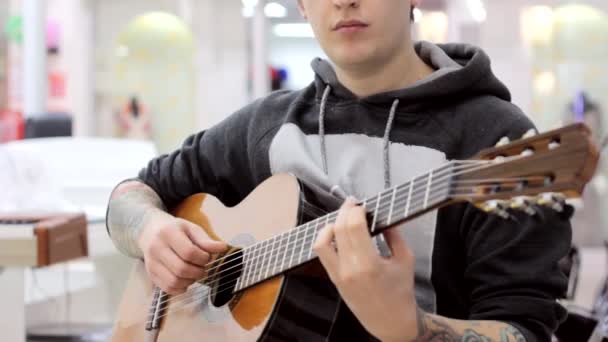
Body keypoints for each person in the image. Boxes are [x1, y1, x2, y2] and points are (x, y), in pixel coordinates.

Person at [106, 0, 572, 340]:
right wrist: (149, 229)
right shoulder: (268, 125)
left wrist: (410, 329)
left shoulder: (498, 142)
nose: (345, 1)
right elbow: (134, 193)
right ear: (303, 6)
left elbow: (525, 329)